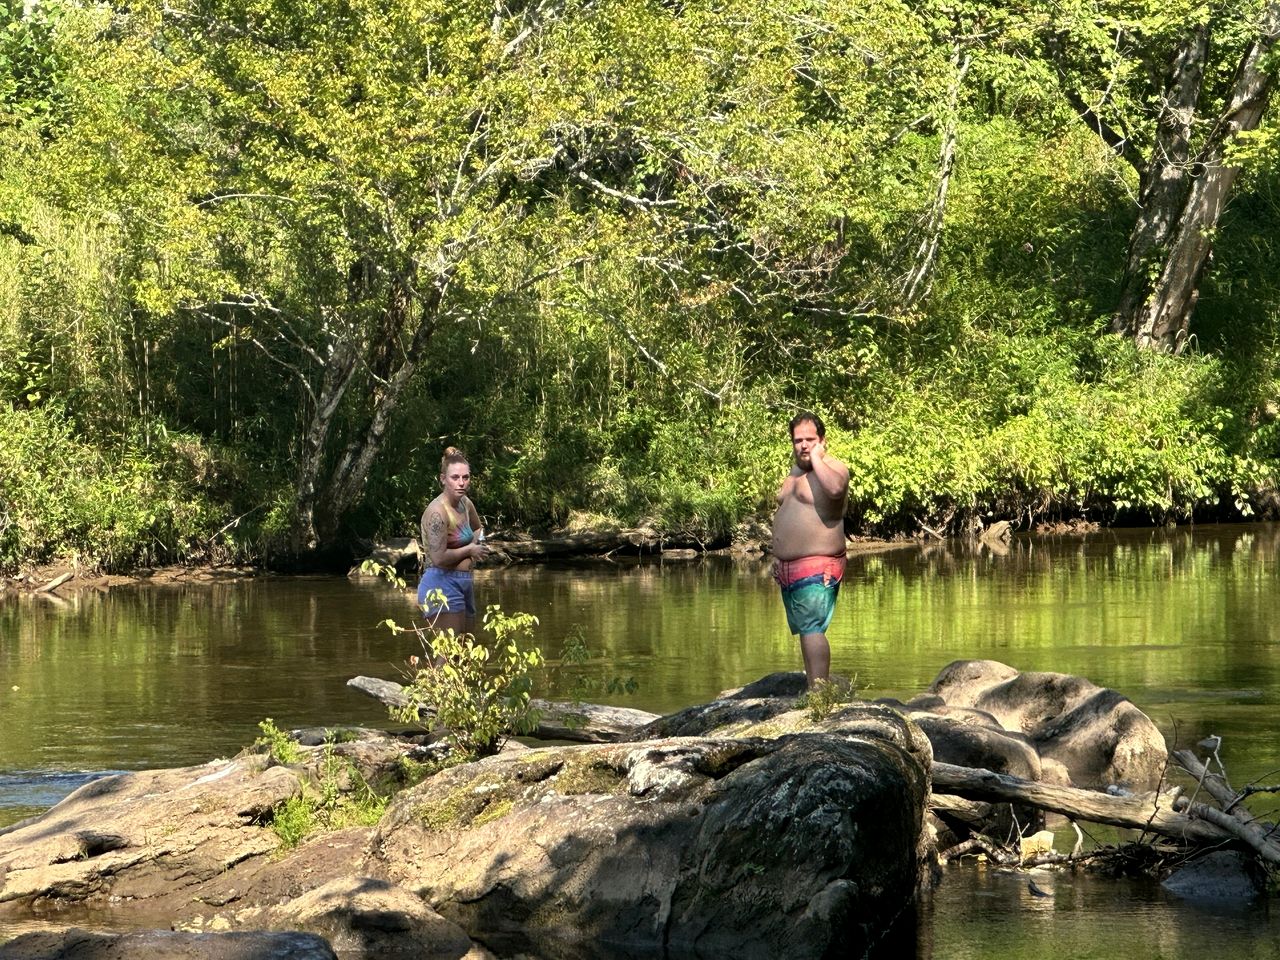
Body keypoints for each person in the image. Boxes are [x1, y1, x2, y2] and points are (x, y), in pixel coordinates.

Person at [771, 412, 850, 688]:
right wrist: (777, 555)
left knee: (812, 628)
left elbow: (836, 490)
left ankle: (819, 693)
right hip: (790, 569)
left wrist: (817, 458)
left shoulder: (833, 468)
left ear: (822, 440)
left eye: (810, 440)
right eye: (798, 440)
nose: (803, 445)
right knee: (806, 630)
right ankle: (814, 689)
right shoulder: (794, 473)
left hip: (818, 565)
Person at [417, 446, 488, 635]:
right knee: (448, 649)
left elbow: (478, 528)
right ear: (443, 479)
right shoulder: (437, 512)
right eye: (455, 477)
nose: (461, 483)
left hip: (465, 581)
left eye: (466, 477)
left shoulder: (465, 503)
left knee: (467, 646)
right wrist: (470, 550)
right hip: (440, 582)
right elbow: (439, 558)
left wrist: (479, 543)